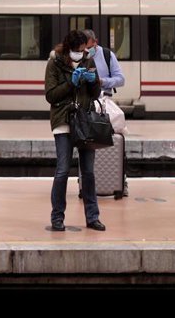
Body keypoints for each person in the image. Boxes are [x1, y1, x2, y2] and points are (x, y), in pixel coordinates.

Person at [44, 29, 105, 232]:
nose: (81, 53)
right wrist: (71, 83)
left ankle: (92, 217)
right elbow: (51, 95)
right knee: (62, 170)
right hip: (63, 120)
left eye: (83, 50)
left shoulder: (88, 61)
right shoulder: (54, 63)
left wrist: (93, 81)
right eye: (78, 50)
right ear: (68, 48)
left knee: (88, 172)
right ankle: (57, 217)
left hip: (84, 121)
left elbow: (95, 93)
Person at [83, 30, 125, 95]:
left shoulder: (107, 55)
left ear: (95, 42)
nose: (87, 51)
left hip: (102, 98)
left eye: (89, 48)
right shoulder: (77, 55)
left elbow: (121, 80)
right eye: (83, 49)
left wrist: (102, 81)